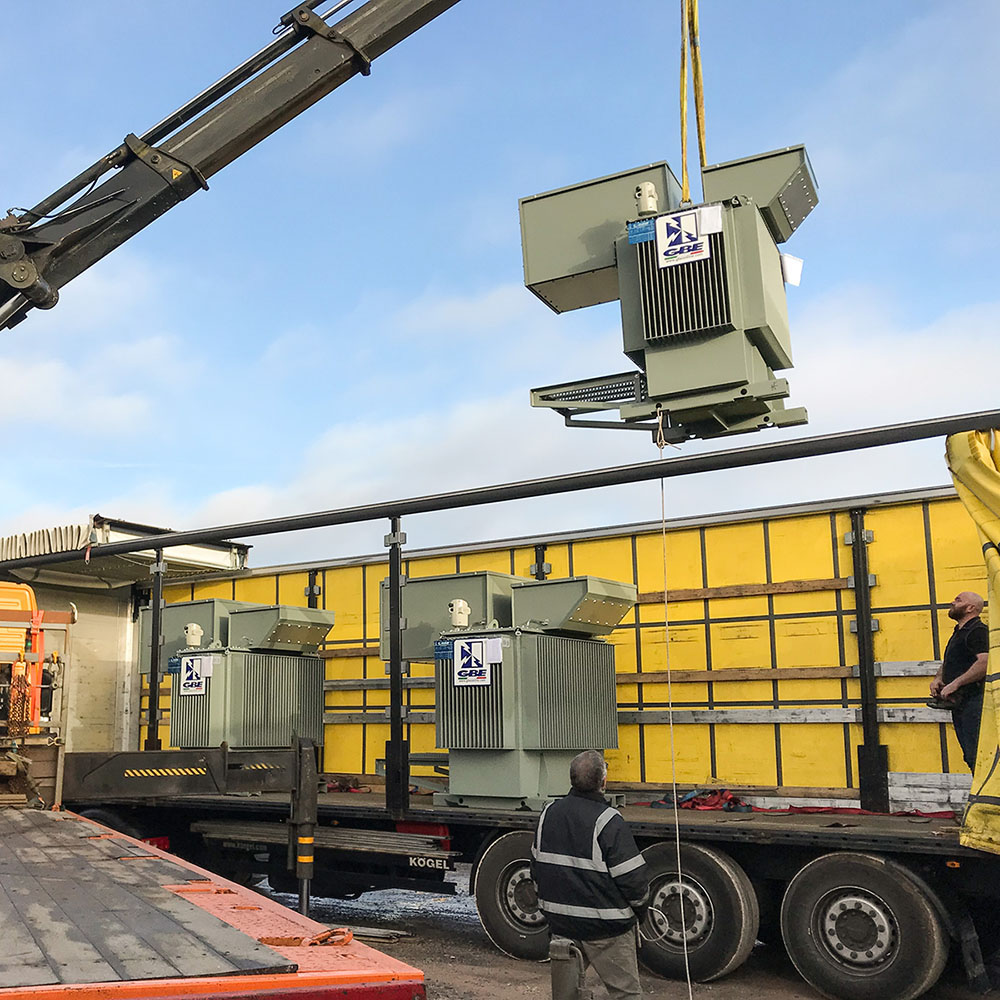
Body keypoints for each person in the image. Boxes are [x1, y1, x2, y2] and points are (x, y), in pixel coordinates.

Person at [531, 750, 650, 1000]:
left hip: (562, 926)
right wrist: (639, 914)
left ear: (571, 780)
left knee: (567, 995)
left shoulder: (548, 814)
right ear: (603, 782)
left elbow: (537, 870)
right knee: (626, 994)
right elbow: (634, 881)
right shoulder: (608, 820)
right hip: (607, 928)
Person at [929, 591, 990, 771]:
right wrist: (938, 678)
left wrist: (956, 683)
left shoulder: (977, 631)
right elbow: (951, 660)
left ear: (971, 608)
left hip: (975, 702)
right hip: (961, 704)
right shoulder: (960, 632)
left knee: (977, 755)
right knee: (970, 755)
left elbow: (984, 662)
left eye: (958, 600)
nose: (952, 602)